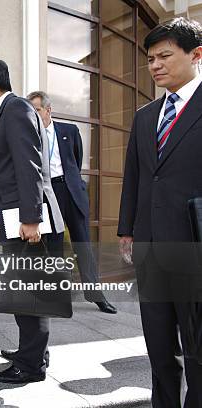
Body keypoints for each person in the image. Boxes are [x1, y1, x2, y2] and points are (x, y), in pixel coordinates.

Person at [118, 17, 202, 407]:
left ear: (196, 54)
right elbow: (134, 177)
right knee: (158, 343)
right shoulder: (145, 116)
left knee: (197, 345)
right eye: (150, 58)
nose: (154, 65)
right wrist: (127, 231)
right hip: (151, 246)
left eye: (164, 56)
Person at [0, 58, 65, 384]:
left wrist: (31, 219)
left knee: (29, 292)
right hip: (17, 217)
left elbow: (29, 167)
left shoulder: (17, 111)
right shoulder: (7, 113)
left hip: (26, 221)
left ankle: (31, 366)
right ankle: (33, 352)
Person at [27, 91, 117, 315]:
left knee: (83, 244)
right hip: (48, 194)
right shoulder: (28, 135)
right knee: (54, 246)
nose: (33, 115)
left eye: (36, 110)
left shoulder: (69, 131)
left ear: (48, 110)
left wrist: (72, 184)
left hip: (71, 190)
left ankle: (96, 295)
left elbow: (75, 161)